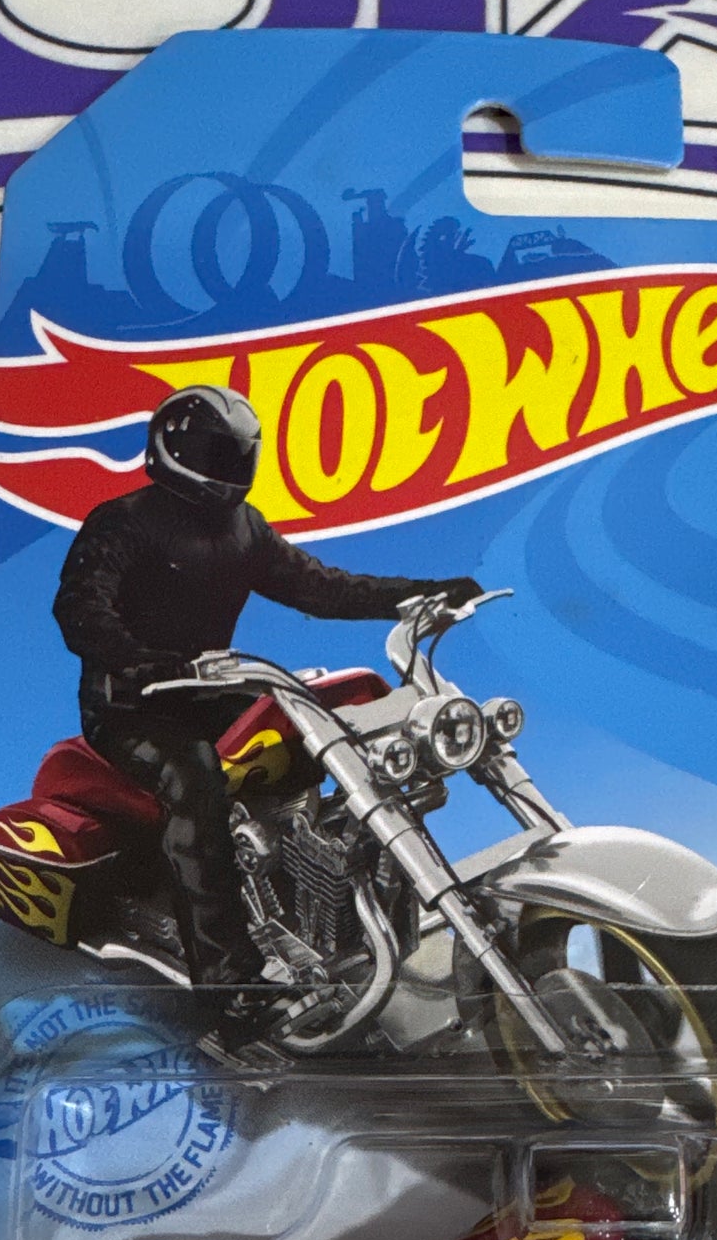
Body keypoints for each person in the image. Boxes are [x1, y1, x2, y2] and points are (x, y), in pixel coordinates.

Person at [53, 383, 480, 1006]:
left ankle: (323, 912)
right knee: (194, 780)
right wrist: (145, 662)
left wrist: (418, 593)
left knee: (311, 745)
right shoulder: (123, 522)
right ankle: (229, 983)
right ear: (175, 451)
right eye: (216, 454)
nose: (230, 468)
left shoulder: (243, 528)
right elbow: (81, 607)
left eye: (238, 454)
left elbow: (322, 588)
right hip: (131, 705)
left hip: (210, 691)